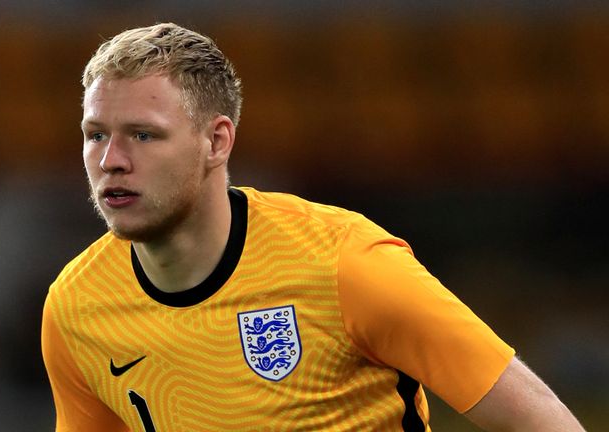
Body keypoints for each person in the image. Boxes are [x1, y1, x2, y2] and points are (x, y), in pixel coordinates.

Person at [41, 22, 584, 431]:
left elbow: (539, 420)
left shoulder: (347, 263)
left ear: (217, 141)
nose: (111, 159)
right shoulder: (75, 306)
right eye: (95, 134)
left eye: (143, 135)